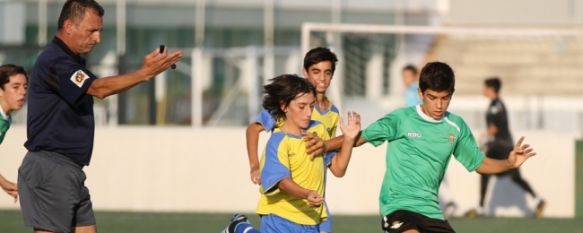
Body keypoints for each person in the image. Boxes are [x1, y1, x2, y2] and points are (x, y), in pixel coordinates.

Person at [17, 1, 182, 233]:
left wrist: (145, 72)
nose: (97, 39)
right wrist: (144, 73)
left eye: (100, 31)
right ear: (69, 26)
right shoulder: (56, 60)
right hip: (51, 169)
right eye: (91, 31)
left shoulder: (72, 61)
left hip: (70, 170)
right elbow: (99, 88)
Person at [326, 62, 536, 233]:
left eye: (445, 98)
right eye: (432, 97)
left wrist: (509, 163)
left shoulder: (456, 126)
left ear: (451, 94)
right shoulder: (401, 119)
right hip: (397, 207)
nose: (439, 105)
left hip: (431, 212)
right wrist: (323, 146)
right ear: (420, 93)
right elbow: (358, 138)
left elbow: (479, 163)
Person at [223, 74, 361, 233]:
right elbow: (281, 181)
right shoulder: (278, 141)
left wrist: (349, 141)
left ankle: (239, 228)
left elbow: (338, 169)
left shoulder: (319, 130)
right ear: (284, 106)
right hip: (280, 215)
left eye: (311, 106)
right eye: (302, 107)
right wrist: (306, 193)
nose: (309, 113)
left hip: (310, 217)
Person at [245, 47, 339, 232]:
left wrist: (349, 139)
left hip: (312, 195)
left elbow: (328, 157)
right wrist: (255, 165)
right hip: (284, 196)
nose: (322, 78)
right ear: (305, 72)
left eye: (327, 72)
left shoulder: (333, 113)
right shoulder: (289, 104)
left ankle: (242, 229)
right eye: (316, 72)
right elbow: (252, 130)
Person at [466, 77, 544, 219]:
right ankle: (538, 199)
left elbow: (494, 128)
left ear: (491, 89)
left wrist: (483, 136)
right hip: (503, 146)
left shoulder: (496, 105)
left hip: (500, 146)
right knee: (514, 177)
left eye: (485, 87)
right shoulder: (496, 104)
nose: (483, 90)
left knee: (484, 168)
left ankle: (481, 208)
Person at [402, 64, 457, 218]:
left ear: (414, 77)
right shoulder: (413, 90)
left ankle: (445, 201)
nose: (404, 80)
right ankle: (446, 201)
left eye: (407, 76)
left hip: (421, 135)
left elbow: (419, 114)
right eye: (403, 76)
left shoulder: (416, 91)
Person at [0, 64, 28, 202]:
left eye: (25, 87)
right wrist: (3, 182)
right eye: (16, 87)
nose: (22, 92)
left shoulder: (6, 117)